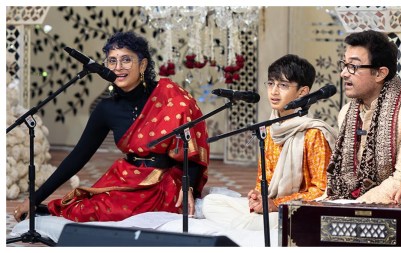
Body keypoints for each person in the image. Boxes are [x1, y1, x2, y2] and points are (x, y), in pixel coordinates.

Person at [13, 31, 209, 222]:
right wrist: (34, 198)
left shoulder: (170, 96)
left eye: (126, 60)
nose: (118, 67)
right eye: (112, 60)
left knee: (124, 213)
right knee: (86, 209)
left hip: (165, 182)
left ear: (142, 65)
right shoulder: (107, 109)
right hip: (127, 179)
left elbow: (190, 151)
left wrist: (188, 187)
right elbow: (78, 156)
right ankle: (40, 211)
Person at [202, 54, 337, 230]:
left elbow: (321, 192)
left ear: (302, 92)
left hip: (296, 211)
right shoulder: (269, 127)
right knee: (211, 203)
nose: (274, 91)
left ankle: (247, 229)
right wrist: (257, 196)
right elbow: (262, 181)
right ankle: (248, 228)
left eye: (283, 85)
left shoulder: (313, 133)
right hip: (270, 207)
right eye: (271, 83)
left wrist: (276, 204)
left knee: (251, 223)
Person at [325, 30, 401, 203]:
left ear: (380, 73)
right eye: (344, 64)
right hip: (353, 207)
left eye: (353, 66)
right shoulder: (346, 113)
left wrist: (353, 209)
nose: (344, 73)